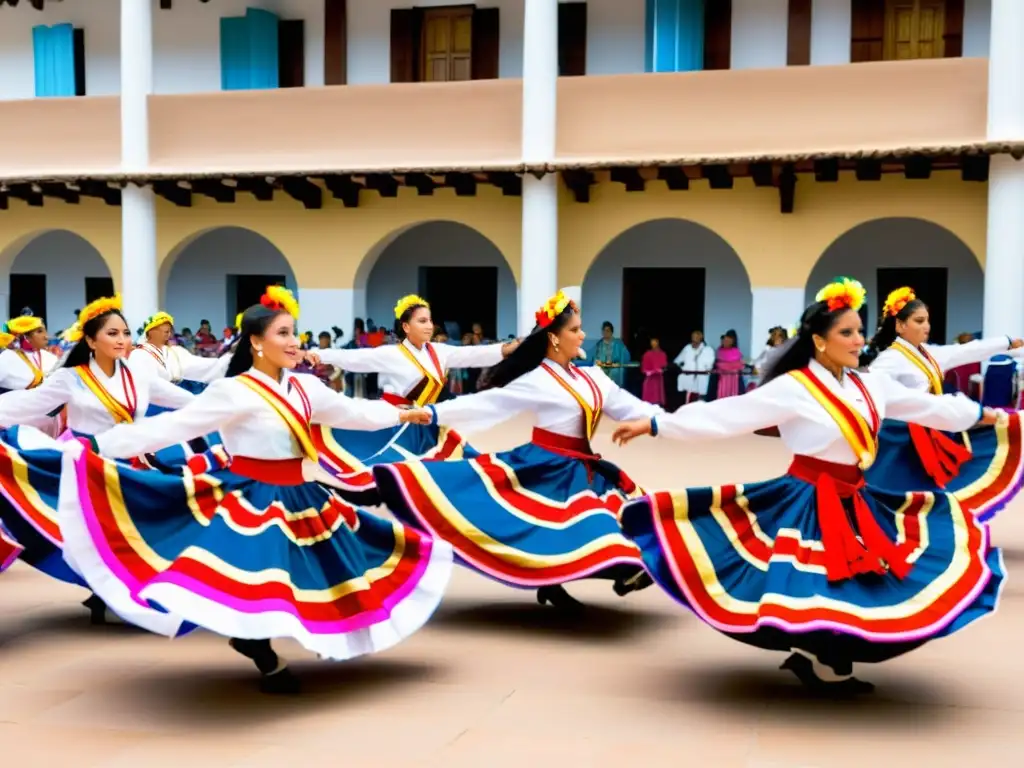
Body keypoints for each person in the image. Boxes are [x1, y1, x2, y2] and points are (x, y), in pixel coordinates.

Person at [611, 278, 1004, 694]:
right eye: (846, 333)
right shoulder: (793, 387)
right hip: (805, 497)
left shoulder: (871, 384)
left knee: (864, 578)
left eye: (859, 331)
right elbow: (726, 414)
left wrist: (981, 414)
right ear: (819, 340)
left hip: (855, 497)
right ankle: (823, 656)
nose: (858, 340)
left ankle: (822, 655)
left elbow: (929, 407)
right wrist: (656, 423)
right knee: (813, 578)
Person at [55, 287, 451, 694]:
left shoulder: (305, 387)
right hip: (251, 496)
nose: (294, 342)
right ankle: (258, 645)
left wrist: (404, 412)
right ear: (257, 343)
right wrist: (98, 447)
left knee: (323, 572)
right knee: (257, 578)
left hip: (302, 494)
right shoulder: (234, 390)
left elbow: (356, 413)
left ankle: (284, 638)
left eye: (295, 333)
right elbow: (169, 428)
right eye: (282, 334)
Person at [373, 290, 661, 611]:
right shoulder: (537, 379)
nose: (583, 335)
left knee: (625, 513)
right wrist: (433, 413)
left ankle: (620, 570)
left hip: (583, 466)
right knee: (575, 526)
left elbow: (635, 408)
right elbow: (487, 404)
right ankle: (602, 574)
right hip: (544, 463)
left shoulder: (593, 378)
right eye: (575, 329)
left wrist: (662, 422)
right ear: (554, 338)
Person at [0, 296, 198, 626]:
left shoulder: (139, 376)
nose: (122, 340)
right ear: (91, 340)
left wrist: (233, 408)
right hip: (88, 466)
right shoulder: (70, 379)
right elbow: (23, 405)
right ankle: (104, 590)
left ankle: (124, 591)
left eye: (124, 333)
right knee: (99, 533)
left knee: (156, 524)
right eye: (112, 333)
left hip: (135, 464)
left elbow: (188, 402)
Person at [866, 286, 1024, 521]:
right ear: (899, 325)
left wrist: (1007, 342)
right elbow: (873, 395)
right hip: (900, 437)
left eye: (927, 320)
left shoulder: (928, 353)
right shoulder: (888, 360)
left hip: (929, 430)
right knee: (899, 496)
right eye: (919, 320)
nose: (926, 326)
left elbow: (966, 351)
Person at [314, 295, 518, 467]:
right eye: (422, 321)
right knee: (392, 473)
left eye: (429, 321)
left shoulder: (439, 351)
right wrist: (318, 355)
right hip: (398, 425)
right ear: (406, 326)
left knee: (462, 467)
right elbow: (353, 359)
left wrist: (504, 349)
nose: (429, 326)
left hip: (430, 424)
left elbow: (473, 354)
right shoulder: (391, 354)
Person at [129, 311, 232, 412]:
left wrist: (231, 359)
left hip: (177, 401)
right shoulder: (139, 354)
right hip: (152, 407)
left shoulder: (175, 351)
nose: (168, 334)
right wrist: (192, 400)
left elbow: (203, 366)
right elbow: (151, 385)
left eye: (169, 330)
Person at [0, 315, 62, 435]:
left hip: (50, 418)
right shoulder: (7, 358)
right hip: (16, 419)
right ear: (25, 337)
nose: (46, 336)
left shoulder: (50, 357)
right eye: (39, 331)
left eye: (45, 331)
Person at [674, 330, 715, 407]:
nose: (695, 339)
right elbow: (678, 361)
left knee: (701, 403)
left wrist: (707, 369)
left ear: (701, 338)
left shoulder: (707, 350)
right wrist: (682, 368)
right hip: (689, 381)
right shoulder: (687, 348)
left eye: (697, 337)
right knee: (689, 403)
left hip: (701, 380)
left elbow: (709, 366)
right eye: (693, 337)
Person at [592, 321, 630, 388]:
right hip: (602, 366)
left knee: (615, 372)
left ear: (611, 332)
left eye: (607, 331)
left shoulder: (618, 344)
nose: (605, 333)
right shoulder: (599, 344)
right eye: (604, 330)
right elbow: (595, 358)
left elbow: (625, 357)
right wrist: (598, 363)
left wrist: (617, 364)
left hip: (614, 367)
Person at [713, 329, 745, 399]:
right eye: (726, 339)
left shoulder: (736, 351)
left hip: (734, 380)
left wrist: (726, 366)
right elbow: (719, 365)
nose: (726, 341)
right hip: (722, 380)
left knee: (732, 399)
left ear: (733, 341)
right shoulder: (720, 351)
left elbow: (740, 366)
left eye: (730, 339)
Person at [640, 337, 667, 406]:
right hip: (650, 379)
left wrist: (660, 370)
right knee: (648, 400)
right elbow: (644, 368)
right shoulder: (647, 354)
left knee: (658, 398)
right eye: (652, 342)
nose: (653, 344)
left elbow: (664, 367)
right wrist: (649, 372)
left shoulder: (662, 354)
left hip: (658, 379)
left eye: (655, 342)